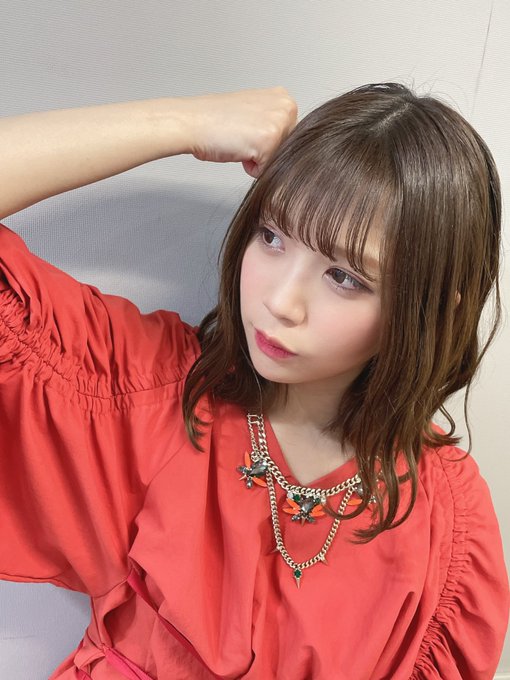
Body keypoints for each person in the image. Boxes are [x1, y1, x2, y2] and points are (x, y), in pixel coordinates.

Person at [0, 83, 508, 679]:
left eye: (344, 277)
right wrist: (183, 120)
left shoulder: (448, 529)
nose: (280, 302)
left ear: (429, 309)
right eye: (271, 237)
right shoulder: (157, 390)